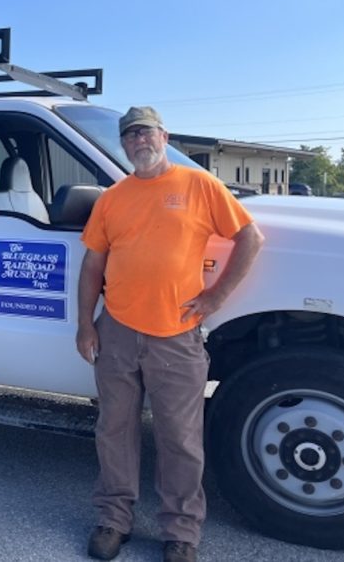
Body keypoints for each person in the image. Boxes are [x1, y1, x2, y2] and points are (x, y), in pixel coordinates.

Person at [76, 106, 264, 562]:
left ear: (164, 136)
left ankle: (181, 532)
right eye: (130, 137)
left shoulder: (198, 185)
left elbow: (250, 237)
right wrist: (85, 324)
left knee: (180, 437)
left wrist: (215, 299)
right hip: (116, 329)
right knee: (114, 429)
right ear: (124, 145)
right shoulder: (112, 198)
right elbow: (92, 265)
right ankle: (113, 520)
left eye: (145, 133)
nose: (138, 142)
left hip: (176, 335)